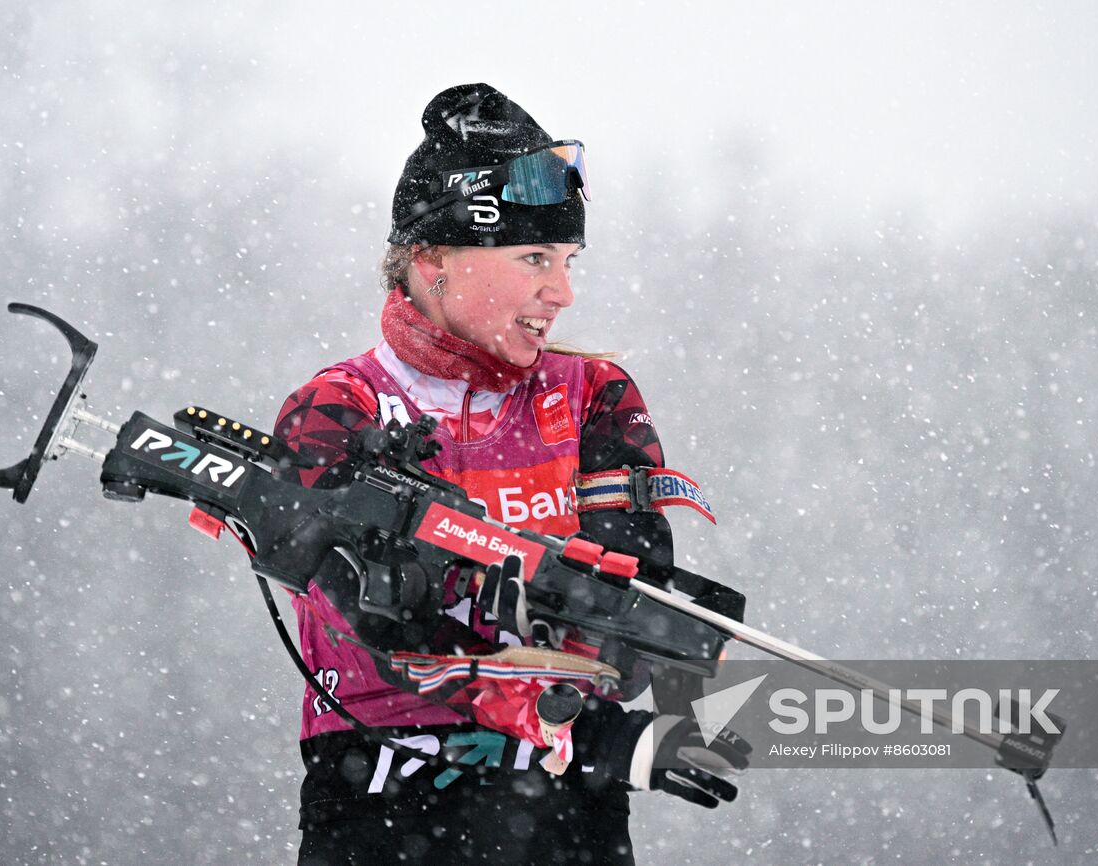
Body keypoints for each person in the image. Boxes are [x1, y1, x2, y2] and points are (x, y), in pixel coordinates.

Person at [273, 84, 745, 866]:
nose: (561, 293)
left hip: (560, 808)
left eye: (567, 262)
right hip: (383, 795)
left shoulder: (592, 395)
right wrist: (564, 712)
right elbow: (379, 627)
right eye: (533, 259)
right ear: (431, 261)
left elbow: (630, 603)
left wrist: (612, 696)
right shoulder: (336, 408)